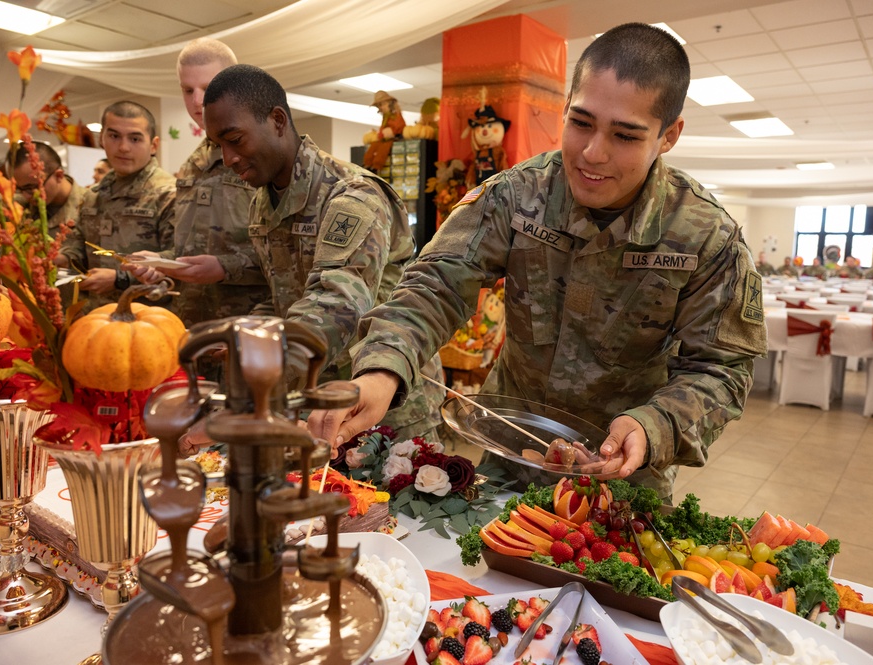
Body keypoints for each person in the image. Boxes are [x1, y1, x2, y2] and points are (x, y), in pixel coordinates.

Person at [307, 23, 768, 501]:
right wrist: (382, 368)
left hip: (621, 475)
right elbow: (436, 285)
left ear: (669, 135)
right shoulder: (517, 194)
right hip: (510, 451)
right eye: (581, 122)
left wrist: (655, 425)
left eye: (626, 136)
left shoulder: (705, 236)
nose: (593, 153)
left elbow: (723, 368)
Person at [201, 64, 445, 441]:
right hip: (315, 405)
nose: (228, 157)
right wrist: (246, 336)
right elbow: (285, 296)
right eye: (218, 145)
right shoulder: (262, 204)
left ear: (278, 120)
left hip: (385, 409)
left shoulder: (351, 195)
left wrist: (259, 368)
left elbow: (339, 302)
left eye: (235, 139)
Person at [124, 38, 268, 327]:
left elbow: (295, 254)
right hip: (191, 325)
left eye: (208, 87)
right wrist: (161, 263)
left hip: (250, 327)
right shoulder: (194, 164)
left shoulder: (263, 153)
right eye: (187, 90)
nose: (197, 101)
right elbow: (192, 249)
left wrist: (224, 268)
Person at [60, 101, 176, 310]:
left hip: (147, 319)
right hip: (96, 315)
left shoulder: (168, 194)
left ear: (154, 145)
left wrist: (120, 279)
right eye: (114, 136)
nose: (123, 147)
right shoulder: (93, 195)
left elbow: (178, 261)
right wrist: (55, 258)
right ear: (101, 139)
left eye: (135, 138)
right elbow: (78, 245)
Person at [9, 141, 87, 271]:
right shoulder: (21, 208)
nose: (27, 196)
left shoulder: (91, 206)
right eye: (20, 189)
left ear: (58, 176)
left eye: (32, 187)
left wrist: (66, 260)